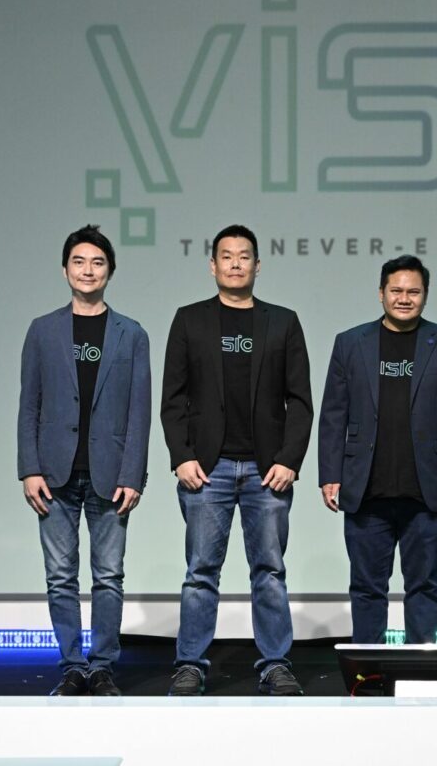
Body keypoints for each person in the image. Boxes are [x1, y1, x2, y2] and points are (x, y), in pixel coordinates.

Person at [161, 224, 313, 696]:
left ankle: (275, 664)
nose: (234, 264)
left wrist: (289, 459)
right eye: (226, 256)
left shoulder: (282, 322)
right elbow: (173, 399)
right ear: (213, 265)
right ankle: (190, 665)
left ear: (257, 265)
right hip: (208, 470)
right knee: (200, 573)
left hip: (268, 471)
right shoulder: (190, 320)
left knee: (270, 571)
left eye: (244, 256)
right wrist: (182, 457)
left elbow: (300, 401)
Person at [318, 255, 437, 643]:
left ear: (425, 295)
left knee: (424, 584)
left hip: (426, 490)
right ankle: (368, 669)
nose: (404, 298)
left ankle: (418, 666)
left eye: (414, 291)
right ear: (381, 293)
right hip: (365, 489)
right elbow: (333, 414)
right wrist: (330, 474)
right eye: (396, 290)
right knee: (366, 587)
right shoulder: (350, 343)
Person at [17, 224, 151, 696]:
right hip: (53, 475)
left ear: (109, 271)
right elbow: (29, 404)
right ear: (65, 270)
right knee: (60, 576)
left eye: (97, 262)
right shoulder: (43, 330)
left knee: (108, 577)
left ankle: (103, 667)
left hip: (110, 476)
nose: (88, 270)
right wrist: (29, 468)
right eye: (79, 261)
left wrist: (134, 475)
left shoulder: (131, 334)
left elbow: (139, 411)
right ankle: (72, 666)